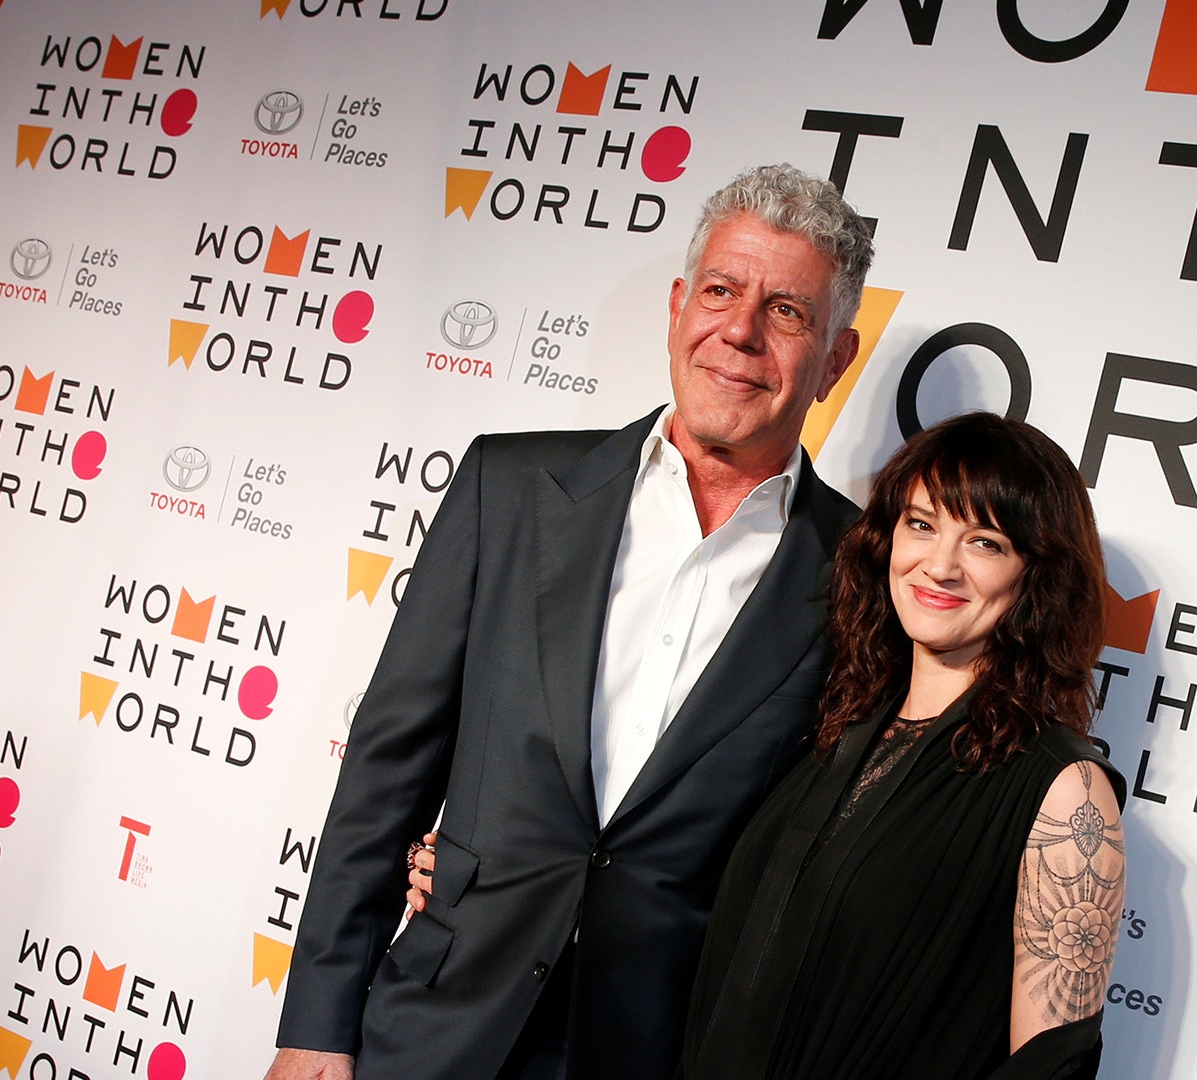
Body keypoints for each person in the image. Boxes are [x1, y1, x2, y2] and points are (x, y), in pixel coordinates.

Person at [266, 164, 873, 1080]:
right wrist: (317, 1024)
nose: (740, 331)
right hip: (435, 1021)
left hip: (656, 1049)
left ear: (835, 360)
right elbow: (386, 768)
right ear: (677, 308)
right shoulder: (508, 490)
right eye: (720, 291)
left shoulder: (862, 574)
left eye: (787, 311)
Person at [412, 412, 1128, 1078]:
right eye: (921, 524)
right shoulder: (836, 730)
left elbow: (1050, 1067)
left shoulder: (1064, 789)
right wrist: (486, 875)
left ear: (1038, 577)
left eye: (985, 543)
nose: (939, 565)